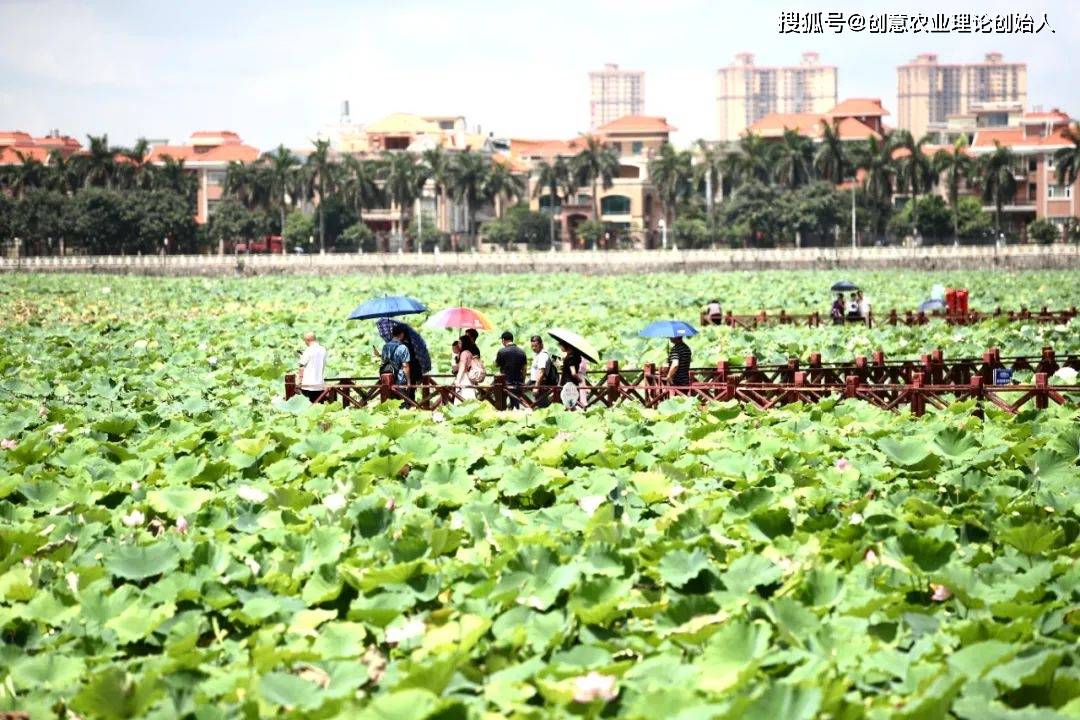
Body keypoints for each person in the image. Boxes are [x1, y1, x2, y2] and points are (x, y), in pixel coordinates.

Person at [495, 331, 527, 410]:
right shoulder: (522, 352)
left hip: (504, 383)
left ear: (503, 340)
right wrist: (523, 380)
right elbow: (524, 369)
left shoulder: (502, 351)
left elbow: (496, 365)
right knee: (515, 402)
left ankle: (502, 414)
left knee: (501, 402)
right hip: (518, 383)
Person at [379, 325, 411, 403]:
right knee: (402, 404)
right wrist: (409, 381)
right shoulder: (403, 347)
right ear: (402, 334)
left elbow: (384, 361)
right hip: (399, 380)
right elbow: (405, 366)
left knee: (390, 404)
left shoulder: (385, 346)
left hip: (387, 381)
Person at [297, 331, 328, 402]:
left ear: (307, 340)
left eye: (305, 341)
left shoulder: (308, 350)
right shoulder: (323, 349)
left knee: (309, 407)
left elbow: (301, 364)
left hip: (308, 385)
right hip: (320, 385)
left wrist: (301, 356)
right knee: (318, 406)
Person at [455, 334, 484, 401]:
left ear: (464, 343)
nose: (458, 344)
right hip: (468, 377)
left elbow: (462, 368)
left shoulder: (464, 353)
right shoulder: (469, 353)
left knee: (463, 396)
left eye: (460, 342)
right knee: (469, 394)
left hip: (464, 377)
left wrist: (457, 380)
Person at [529, 335, 553, 408]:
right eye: (532, 346)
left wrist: (536, 387)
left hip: (541, 383)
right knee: (540, 404)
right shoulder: (538, 355)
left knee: (542, 405)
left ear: (541, 344)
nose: (533, 348)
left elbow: (541, 372)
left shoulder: (542, 355)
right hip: (537, 382)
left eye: (535, 346)